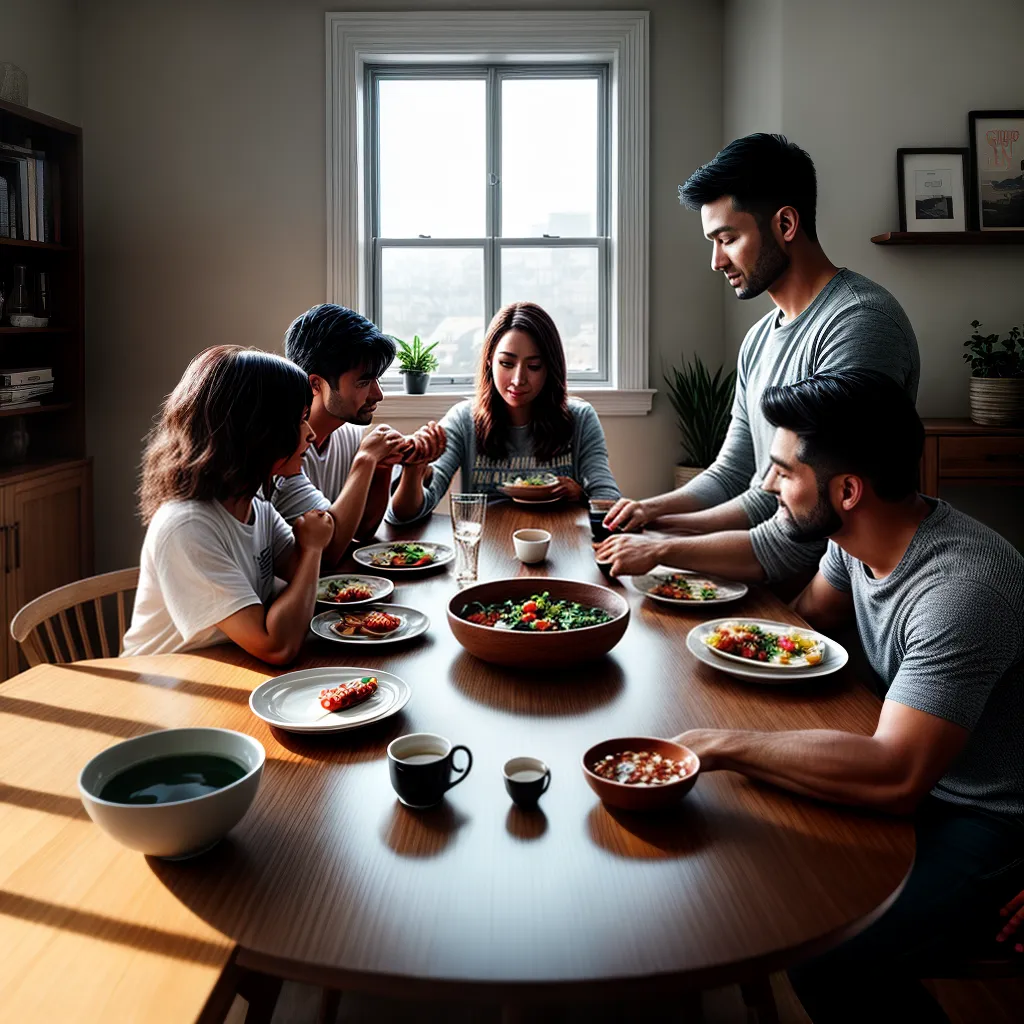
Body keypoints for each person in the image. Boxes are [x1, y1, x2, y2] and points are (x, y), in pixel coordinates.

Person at [671, 371, 1024, 1023]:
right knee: (752, 864)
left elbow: (895, 776)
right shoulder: (853, 541)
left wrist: (718, 742)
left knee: (828, 951)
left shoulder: (963, 588)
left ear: (848, 490)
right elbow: (800, 630)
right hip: (923, 776)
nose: (770, 486)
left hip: (991, 822)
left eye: (782, 472)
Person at [597, 134, 920, 583]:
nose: (716, 261)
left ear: (785, 224)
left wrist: (662, 546)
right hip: (766, 580)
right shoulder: (758, 339)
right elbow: (737, 478)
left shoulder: (859, 324)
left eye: (727, 238)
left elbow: (812, 526)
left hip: (830, 598)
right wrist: (650, 514)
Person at [123, 346, 334, 664]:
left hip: (228, 666)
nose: (311, 433)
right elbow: (276, 647)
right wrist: (314, 547)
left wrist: (312, 550)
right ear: (255, 431)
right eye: (299, 420)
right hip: (162, 685)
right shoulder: (187, 526)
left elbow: (299, 574)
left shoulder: (254, 505)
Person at [388, 301, 620, 523]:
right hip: (488, 550)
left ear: (550, 368)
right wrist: (414, 468)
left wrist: (581, 496)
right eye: (507, 364)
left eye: (534, 366)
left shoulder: (579, 418)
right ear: (490, 361)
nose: (518, 380)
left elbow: (609, 502)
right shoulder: (464, 420)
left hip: (562, 548)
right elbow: (403, 516)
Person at [274, 304, 447, 565]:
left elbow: (363, 530)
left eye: (376, 380)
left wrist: (386, 466)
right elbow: (328, 550)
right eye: (363, 382)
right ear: (315, 384)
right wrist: (367, 459)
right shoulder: (283, 453)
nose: (378, 394)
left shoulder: (350, 435)